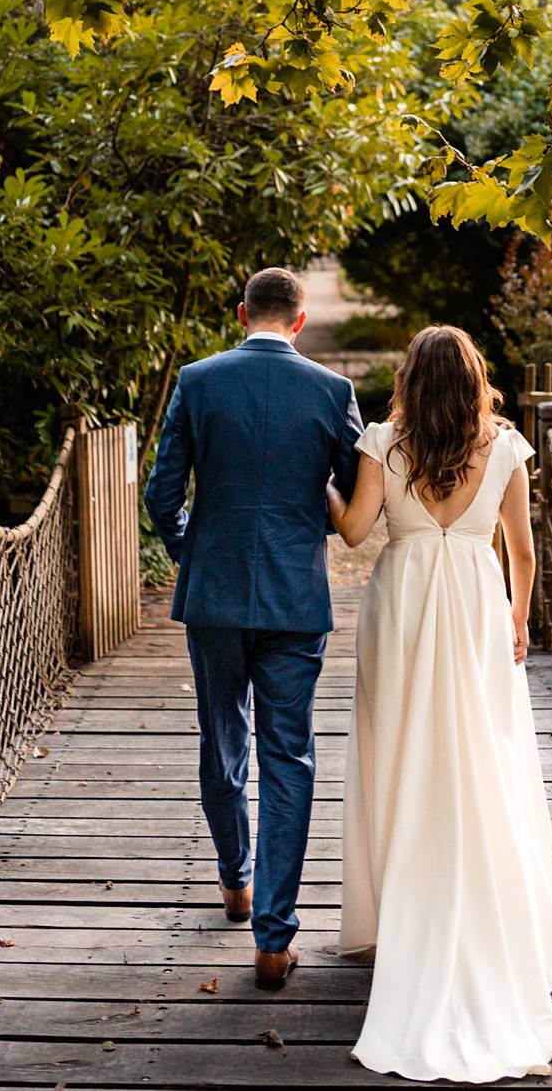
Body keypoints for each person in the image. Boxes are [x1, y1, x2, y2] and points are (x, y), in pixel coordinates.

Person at [327, 325, 552, 1082]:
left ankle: (400, 915)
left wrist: (327, 485)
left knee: (398, 751)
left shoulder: (382, 441)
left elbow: (354, 534)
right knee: (482, 755)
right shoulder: (504, 448)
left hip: (401, 609)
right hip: (474, 606)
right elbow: (524, 551)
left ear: (410, 377)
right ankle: (491, 914)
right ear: (475, 380)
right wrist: (519, 617)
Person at [144, 266, 363, 990]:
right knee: (289, 755)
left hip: (214, 592)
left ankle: (235, 880)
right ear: (299, 321)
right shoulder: (333, 393)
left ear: (243, 313)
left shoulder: (198, 380)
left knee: (222, 736)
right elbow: (356, 494)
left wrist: (191, 550)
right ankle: (274, 938)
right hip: (296, 598)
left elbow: (160, 492)